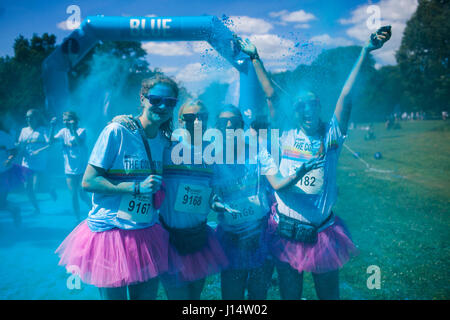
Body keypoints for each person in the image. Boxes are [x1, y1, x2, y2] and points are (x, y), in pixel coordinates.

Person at [238, 25, 391, 299]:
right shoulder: (283, 135)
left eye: (313, 104)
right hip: (286, 232)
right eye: (300, 106)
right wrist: (255, 58)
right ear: (294, 111)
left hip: (323, 234)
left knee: (328, 295)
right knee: (289, 294)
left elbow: (346, 96)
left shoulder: (331, 135)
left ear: (320, 106)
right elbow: (272, 95)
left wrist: (365, 52)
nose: (307, 110)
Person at [55, 75, 178, 299]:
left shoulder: (164, 140)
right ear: (142, 98)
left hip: (146, 233)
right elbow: (89, 181)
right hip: (110, 233)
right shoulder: (117, 131)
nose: (162, 106)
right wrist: (135, 187)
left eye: (169, 102)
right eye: (156, 99)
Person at [158, 100, 228, 300]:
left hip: (199, 238)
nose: (197, 122)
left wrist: (217, 204)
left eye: (202, 117)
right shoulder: (166, 147)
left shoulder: (213, 152)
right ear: (180, 121)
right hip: (169, 239)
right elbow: (141, 134)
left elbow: (213, 192)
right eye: (190, 118)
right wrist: (125, 120)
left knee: (194, 298)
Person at [211, 104, 275, 300]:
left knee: (258, 294)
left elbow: (273, 184)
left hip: (260, 236)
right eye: (224, 122)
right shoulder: (211, 157)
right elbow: (210, 198)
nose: (229, 126)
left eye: (235, 123)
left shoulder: (257, 151)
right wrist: (215, 204)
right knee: (231, 295)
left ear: (242, 126)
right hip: (231, 237)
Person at [49, 111, 91, 221]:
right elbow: (51, 141)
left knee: (82, 195)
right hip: (69, 170)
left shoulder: (82, 131)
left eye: (67, 120)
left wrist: (73, 130)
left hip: (82, 169)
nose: (65, 122)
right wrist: (52, 127)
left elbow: (80, 143)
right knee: (73, 196)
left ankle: (93, 209)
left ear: (74, 120)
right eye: (64, 120)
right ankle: (77, 218)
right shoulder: (63, 131)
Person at [16, 109, 56, 214]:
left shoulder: (43, 130)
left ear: (37, 118)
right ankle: (36, 208)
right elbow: (20, 145)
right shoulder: (24, 130)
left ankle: (50, 189)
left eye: (31, 117)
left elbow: (50, 144)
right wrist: (19, 149)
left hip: (39, 162)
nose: (29, 119)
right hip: (26, 162)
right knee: (27, 188)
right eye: (27, 117)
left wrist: (39, 150)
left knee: (36, 187)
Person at [0, 116, 22, 227]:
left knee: (2, 203)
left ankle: (15, 210)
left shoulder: (4, 136)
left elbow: (14, 151)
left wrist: (8, 159)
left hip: (4, 172)